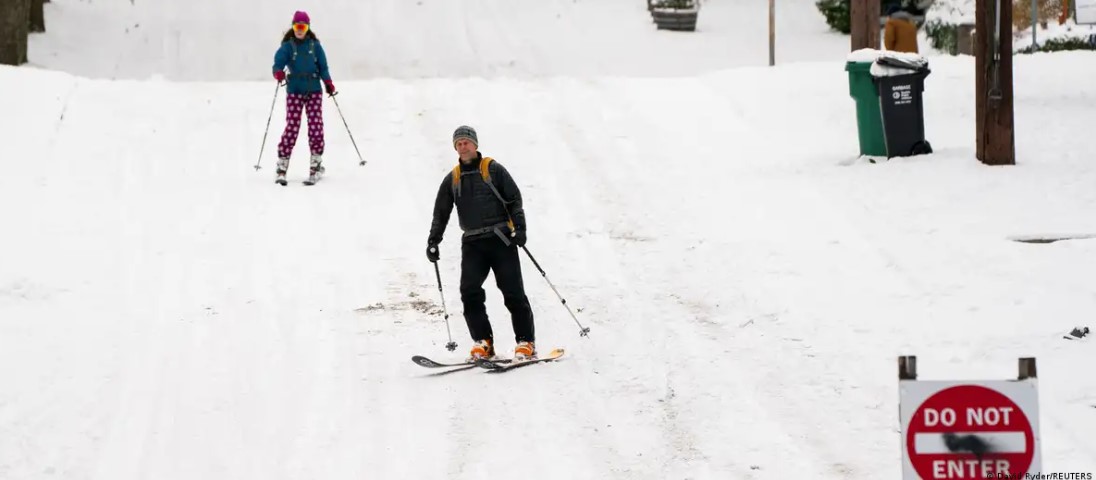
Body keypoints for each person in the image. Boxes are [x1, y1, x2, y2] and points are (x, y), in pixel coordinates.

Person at [426, 126, 537, 360]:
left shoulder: (493, 169)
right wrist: (434, 240)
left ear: (475, 144)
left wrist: (520, 229)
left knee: (512, 291)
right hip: (472, 242)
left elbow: (514, 200)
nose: (462, 146)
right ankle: (483, 342)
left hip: (500, 238)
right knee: (469, 291)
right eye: (458, 144)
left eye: (466, 142)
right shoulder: (453, 178)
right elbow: (441, 212)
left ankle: (526, 341)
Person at [271, 10, 336, 185]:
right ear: (293, 27)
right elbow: (277, 63)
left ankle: (316, 164)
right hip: (294, 91)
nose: (300, 30)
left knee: (315, 126)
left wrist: (328, 83)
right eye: (297, 27)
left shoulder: (315, 46)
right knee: (292, 127)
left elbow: (323, 67)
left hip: (314, 90)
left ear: (308, 28)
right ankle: (282, 165)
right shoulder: (288, 47)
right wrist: (278, 72)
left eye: (303, 27)